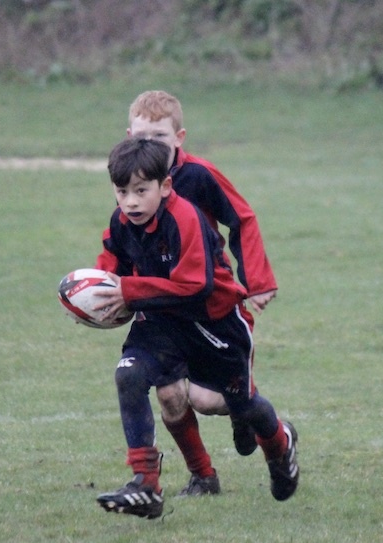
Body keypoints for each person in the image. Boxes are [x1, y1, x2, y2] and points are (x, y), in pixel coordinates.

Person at [92, 138, 298, 519]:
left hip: (215, 323)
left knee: (242, 404)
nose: (131, 202)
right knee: (129, 376)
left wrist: (130, 291)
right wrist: (92, 296)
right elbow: (112, 264)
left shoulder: (184, 218)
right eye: (122, 192)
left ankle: (279, 443)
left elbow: (195, 286)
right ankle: (146, 485)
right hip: (163, 322)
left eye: (141, 191)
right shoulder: (121, 221)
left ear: (165, 186)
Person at [119, 90, 280, 496]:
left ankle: (245, 411)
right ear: (129, 137)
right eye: (142, 137)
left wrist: (257, 281)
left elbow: (242, 218)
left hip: (208, 302)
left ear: (179, 138)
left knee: (209, 401)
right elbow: (120, 240)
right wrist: (106, 289)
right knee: (169, 395)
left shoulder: (199, 176)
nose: (150, 145)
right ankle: (202, 476)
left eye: (159, 137)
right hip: (164, 306)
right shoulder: (132, 183)